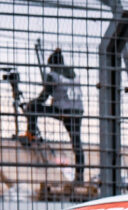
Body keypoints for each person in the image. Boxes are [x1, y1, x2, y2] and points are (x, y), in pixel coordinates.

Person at [17, 46, 86, 188]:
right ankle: (80, 177)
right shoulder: (72, 73)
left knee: (33, 108)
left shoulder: (53, 75)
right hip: (77, 111)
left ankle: (32, 135)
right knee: (77, 143)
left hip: (63, 110)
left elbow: (43, 97)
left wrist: (30, 104)